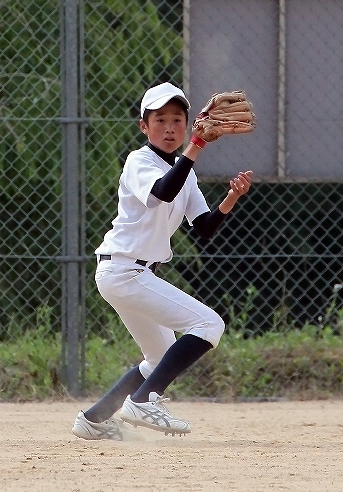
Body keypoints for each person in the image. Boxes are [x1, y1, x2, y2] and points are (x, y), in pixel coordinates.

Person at [71, 82, 253, 440]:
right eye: (160, 120)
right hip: (125, 270)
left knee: (159, 358)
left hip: (130, 273)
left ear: (188, 124)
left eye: (177, 120)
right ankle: (145, 401)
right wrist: (196, 145)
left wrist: (231, 198)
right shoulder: (139, 161)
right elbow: (161, 192)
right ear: (144, 127)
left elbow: (203, 227)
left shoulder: (186, 174)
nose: (169, 128)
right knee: (209, 325)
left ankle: (94, 420)